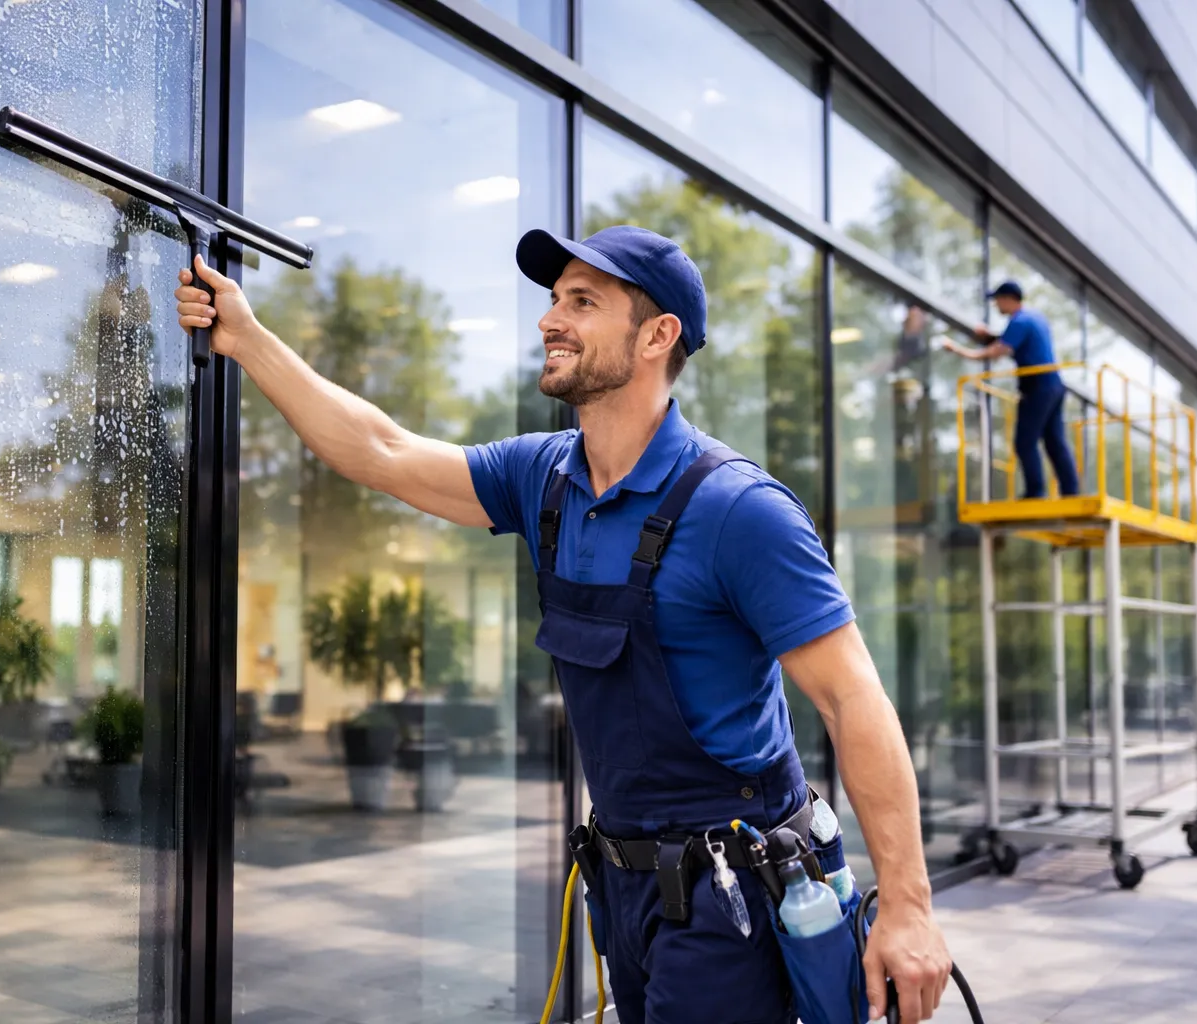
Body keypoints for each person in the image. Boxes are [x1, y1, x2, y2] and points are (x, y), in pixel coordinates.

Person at [175, 226, 951, 1023]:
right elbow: (380, 449)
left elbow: (853, 699)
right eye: (554, 299)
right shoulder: (543, 478)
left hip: (734, 893)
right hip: (623, 888)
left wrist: (910, 905)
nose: (551, 318)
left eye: (583, 301)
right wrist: (247, 339)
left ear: (657, 336)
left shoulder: (740, 512)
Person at [940, 280, 1081, 499]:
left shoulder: (1020, 322)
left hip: (1037, 386)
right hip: (1053, 385)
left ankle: (1035, 492)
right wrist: (989, 337)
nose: (996, 305)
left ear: (1008, 299)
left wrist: (959, 350)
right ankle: (1071, 491)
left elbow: (999, 350)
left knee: (1025, 441)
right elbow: (1009, 340)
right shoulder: (1034, 318)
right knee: (1055, 441)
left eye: (998, 300)